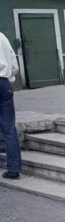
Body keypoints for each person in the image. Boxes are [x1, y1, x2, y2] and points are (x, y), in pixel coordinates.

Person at [0, 32, 21, 180]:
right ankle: (14, 169)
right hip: (4, 84)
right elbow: (14, 65)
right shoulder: (2, 37)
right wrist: (9, 77)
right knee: (9, 128)